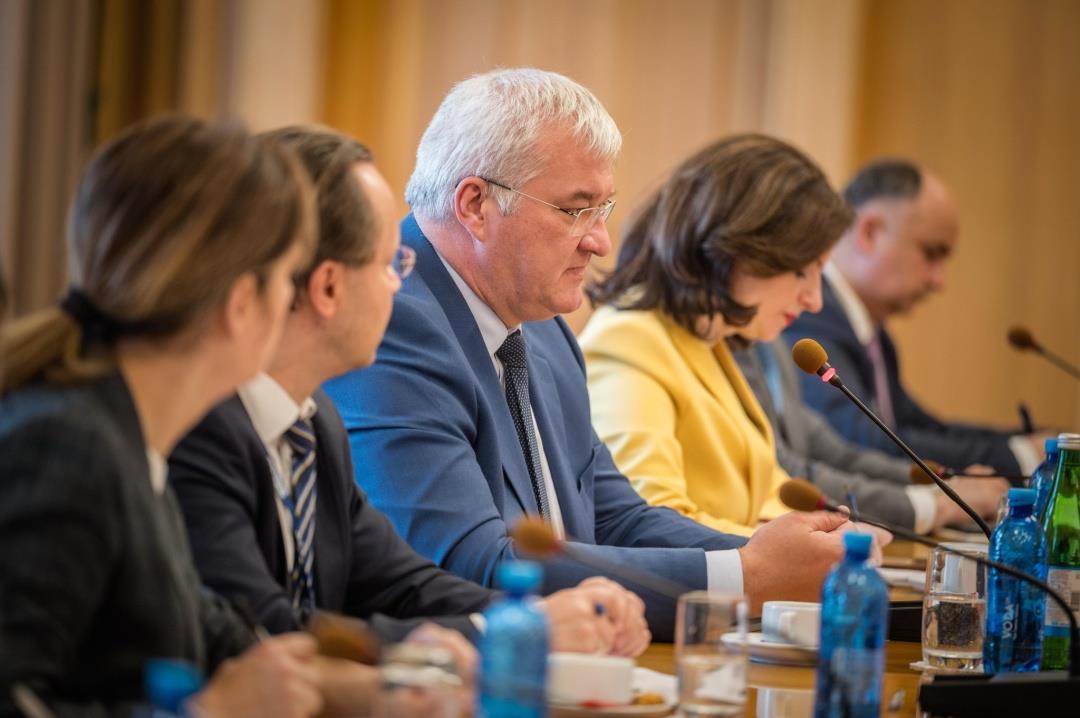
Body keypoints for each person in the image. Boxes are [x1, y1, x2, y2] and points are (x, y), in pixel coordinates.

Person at [324, 68, 873, 641]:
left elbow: (614, 518)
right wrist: (746, 576)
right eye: (574, 210)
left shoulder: (544, 332)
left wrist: (775, 557)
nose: (600, 241)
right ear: (475, 205)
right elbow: (469, 563)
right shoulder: (393, 323)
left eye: (603, 209)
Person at [168, 126, 649, 658]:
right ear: (328, 287)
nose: (400, 285)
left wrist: (530, 619)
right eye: (389, 264)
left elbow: (401, 583)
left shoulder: (314, 420)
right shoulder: (199, 430)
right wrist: (514, 633)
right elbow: (266, 639)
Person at [0, 116, 353, 718]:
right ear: (241, 303)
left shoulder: (134, 434)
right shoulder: (70, 444)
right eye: (285, 279)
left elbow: (201, 625)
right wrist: (212, 713)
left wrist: (372, 688)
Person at [580, 134, 850, 535]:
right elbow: (647, 522)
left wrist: (826, 530)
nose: (814, 300)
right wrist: (794, 546)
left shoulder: (709, 339)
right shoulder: (628, 339)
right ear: (734, 248)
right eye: (800, 272)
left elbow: (767, 492)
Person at [785, 159, 1046, 476]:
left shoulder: (873, 335)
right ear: (870, 233)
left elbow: (919, 428)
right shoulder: (811, 318)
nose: (939, 281)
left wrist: (1030, 443)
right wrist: (1020, 456)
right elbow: (859, 440)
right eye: (931, 253)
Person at [734, 338, 1008, 533]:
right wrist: (934, 507)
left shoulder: (773, 346)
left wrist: (944, 488)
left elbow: (841, 455)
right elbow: (785, 471)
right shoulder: (738, 348)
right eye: (802, 277)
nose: (814, 301)